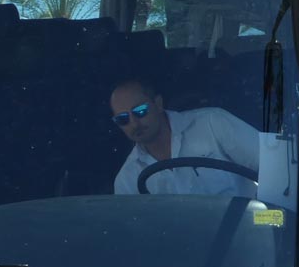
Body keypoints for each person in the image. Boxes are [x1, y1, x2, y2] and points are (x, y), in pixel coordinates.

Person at [109, 79, 260, 197]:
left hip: (244, 234)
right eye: (123, 119)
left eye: (140, 111)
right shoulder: (127, 180)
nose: (134, 123)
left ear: (158, 104)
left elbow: (274, 168)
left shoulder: (213, 124)